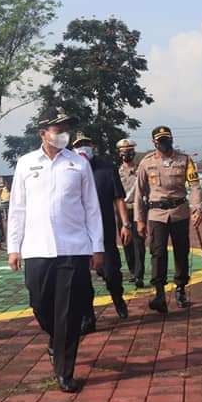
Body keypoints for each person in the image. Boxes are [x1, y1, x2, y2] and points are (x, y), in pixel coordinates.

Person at [7, 109, 104, 393]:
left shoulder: (79, 164)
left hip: (73, 247)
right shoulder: (26, 164)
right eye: (57, 129)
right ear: (43, 133)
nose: (63, 134)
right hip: (37, 248)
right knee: (40, 304)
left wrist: (97, 247)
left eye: (66, 129)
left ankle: (64, 370)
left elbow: (92, 208)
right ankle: (55, 339)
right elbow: (17, 208)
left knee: (70, 312)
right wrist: (14, 247)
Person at [135, 126, 202, 313]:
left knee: (181, 251)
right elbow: (139, 193)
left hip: (179, 211)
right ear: (154, 142)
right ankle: (159, 294)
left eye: (168, 139)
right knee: (157, 253)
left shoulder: (184, 160)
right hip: (156, 214)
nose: (165, 143)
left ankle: (181, 289)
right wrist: (139, 220)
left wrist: (197, 208)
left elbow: (195, 185)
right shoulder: (146, 163)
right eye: (161, 140)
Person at [72, 132, 131, 328]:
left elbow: (118, 198)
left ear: (93, 146)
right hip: (79, 234)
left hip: (104, 231)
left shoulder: (106, 168)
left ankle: (117, 297)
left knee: (112, 272)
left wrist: (125, 224)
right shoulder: (70, 169)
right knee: (81, 278)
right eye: (79, 145)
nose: (83, 147)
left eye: (86, 143)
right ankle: (87, 317)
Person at [117, 138, 146, 289]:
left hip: (137, 209)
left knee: (139, 243)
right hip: (122, 211)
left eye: (129, 151)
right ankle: (133, 272)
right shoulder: (116, 172)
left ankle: (139, 275)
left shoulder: (141, 170)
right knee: (126, 242)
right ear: (119, 154)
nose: (127, 154)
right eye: (124, 152)